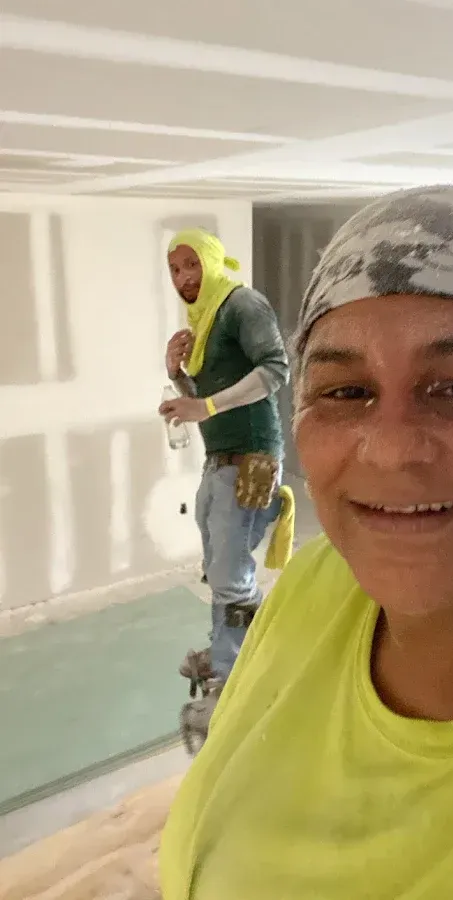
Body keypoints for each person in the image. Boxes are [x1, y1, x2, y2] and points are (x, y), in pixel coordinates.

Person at [160, 187, 453, 899]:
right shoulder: (320, 583)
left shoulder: (244, 310)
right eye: (346, 393)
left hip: (245, 466)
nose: (388, 452)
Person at [158, 228, 291, 746]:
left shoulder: (241, 304)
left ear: (211, 263)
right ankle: (227, 650)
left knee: (232, 576)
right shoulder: (205, 322)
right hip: (222, 460)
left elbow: (275, 370)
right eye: (174, 269)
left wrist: (204, 406)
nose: (184, 278)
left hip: (255, 460)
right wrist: (177, 378)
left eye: (191, 265)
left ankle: (233, 683)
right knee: (221, 570)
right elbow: (205, 398)